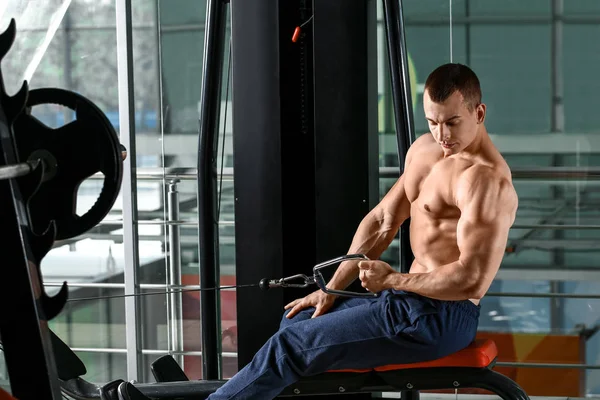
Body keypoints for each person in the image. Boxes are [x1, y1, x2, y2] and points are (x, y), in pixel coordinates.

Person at [207, 63, 518, 400]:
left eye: (452, 123)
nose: (442, 135)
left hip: (440, 316)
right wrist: (333, 290)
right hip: (404, 301)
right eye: (433, 122)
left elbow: (472, 279)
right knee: (298, 323)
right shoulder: (425, 151)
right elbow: (384, 219)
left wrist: (391, 280)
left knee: (289, 347)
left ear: (479, 113)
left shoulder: (486, 181)